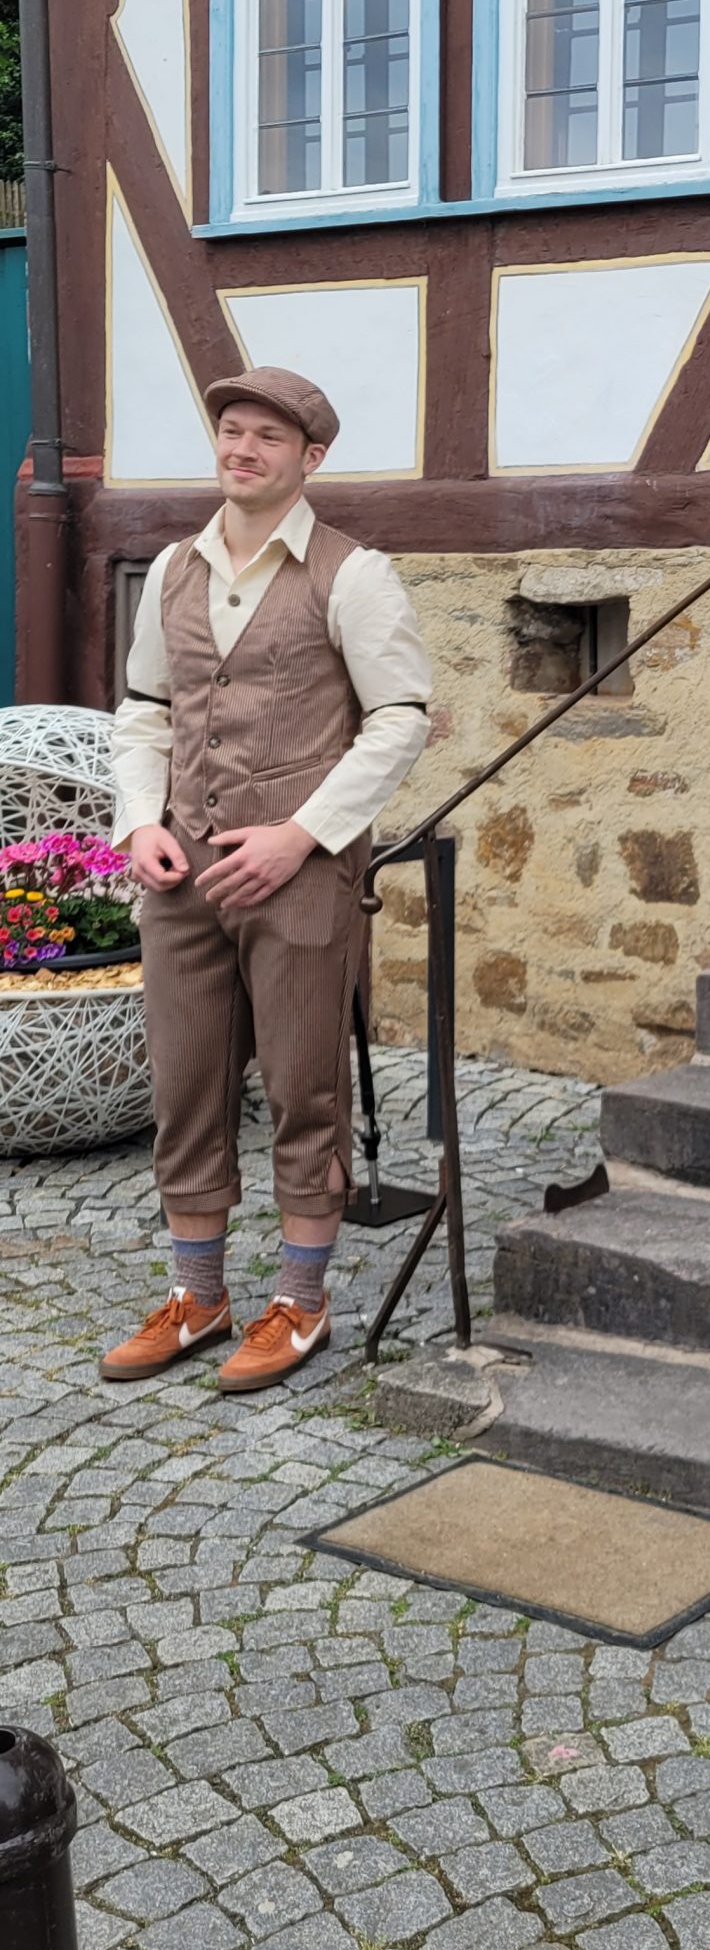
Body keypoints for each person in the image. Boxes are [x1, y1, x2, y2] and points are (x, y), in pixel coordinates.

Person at [103, 368, 432, 1393]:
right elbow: (146, 706)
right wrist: (140, 819)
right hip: (183, 871)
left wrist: (303, 836)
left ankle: (302, 1300)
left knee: (302, 1085)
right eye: (231, 431)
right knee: (186, 1082)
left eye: (268, 438)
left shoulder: (355, 574)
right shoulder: (172, 570)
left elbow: (403, 719)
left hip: (297, 872)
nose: (243, 449)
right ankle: (199, 1296)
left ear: (310, 458)